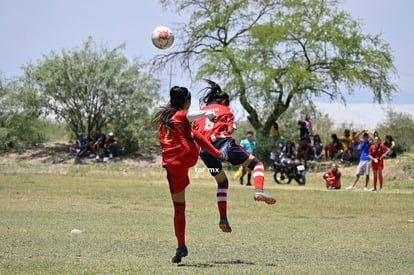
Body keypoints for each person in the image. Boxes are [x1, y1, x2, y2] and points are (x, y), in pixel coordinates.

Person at [153, 86, 226, 264]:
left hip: (172, 165)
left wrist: (216, 153)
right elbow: (188, 116)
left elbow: (192, 130)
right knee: (193, 134)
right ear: (186, 101)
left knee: (179, 208)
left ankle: (181, 246)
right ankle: (180, 247)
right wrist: (207, 115)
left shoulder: (163, 120)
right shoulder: (181, 115)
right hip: (188, 155)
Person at [193, 79, 276, 234]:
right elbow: (230, 131)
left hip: (205, 152)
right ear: (224, 101)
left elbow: (194, 134)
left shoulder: (199, 114)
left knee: (222, 183)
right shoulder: (227, 110)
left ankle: (223, 218)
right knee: (257, 164)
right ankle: (258, 190)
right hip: (223, 144)